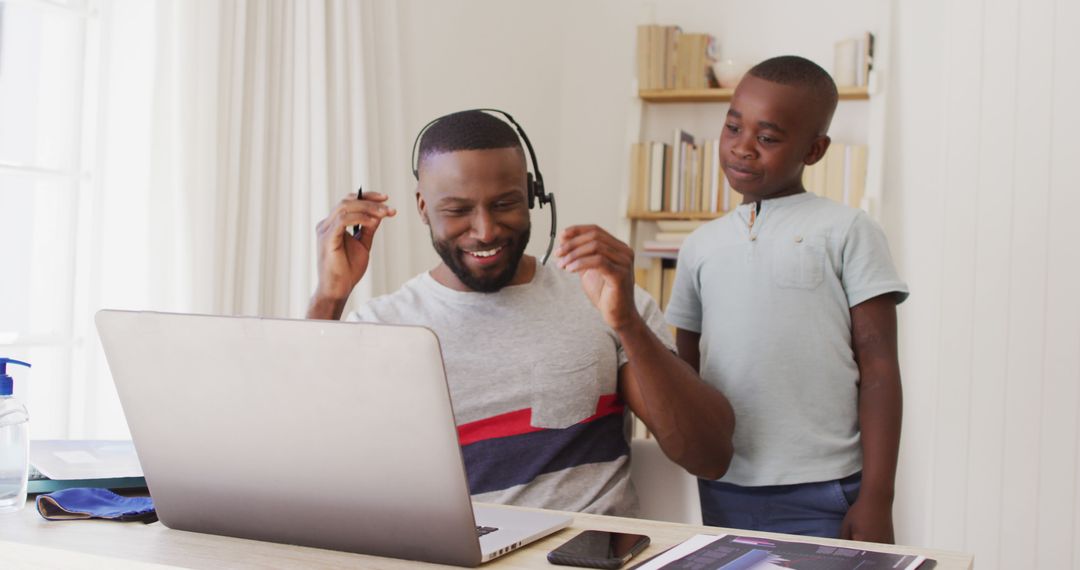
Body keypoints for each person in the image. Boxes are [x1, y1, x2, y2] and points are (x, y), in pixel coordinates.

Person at [306, 110, 734, 516]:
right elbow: (306, 463)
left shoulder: (606, 300)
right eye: (457, 210)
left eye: (505, 204)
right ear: (422, 207)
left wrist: (628, 325)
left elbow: (708, 456)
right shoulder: (383, 327)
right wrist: (329, 297)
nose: (486, 230)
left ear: (533, 194)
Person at [665, 56, 909, 542]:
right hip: (723, 485)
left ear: (815, 149)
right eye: (733, 127)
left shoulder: (849, 230)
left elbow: (880, 370)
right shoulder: (698, 246)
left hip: (828, 488)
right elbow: (685, 374)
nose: (742, 148)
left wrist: (877, 497)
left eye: (768, 138)